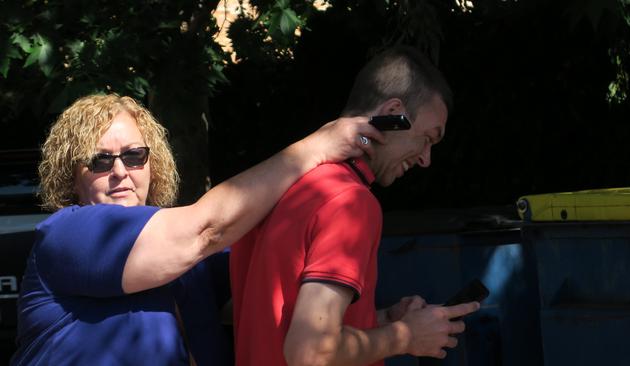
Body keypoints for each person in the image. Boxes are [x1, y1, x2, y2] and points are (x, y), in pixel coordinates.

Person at [10, 94, 383, 365]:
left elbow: (271, 306)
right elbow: (205, 230)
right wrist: (319, 147)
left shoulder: (195, 261)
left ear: (153, 164)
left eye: (135, 156)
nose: (120, 172)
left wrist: (387, 324)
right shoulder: (67, 234)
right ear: (72, 177)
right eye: (100, 160)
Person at [229, 45, 480, 366]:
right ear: (393, 114)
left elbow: (279, 324)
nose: (425, 159)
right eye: (428, 138)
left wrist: (383, 320)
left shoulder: (279, 187)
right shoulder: (350, 203)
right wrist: (406, 335)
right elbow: (309, 352)